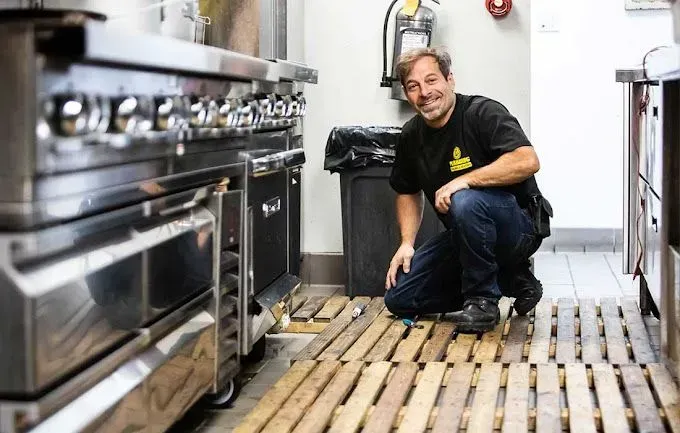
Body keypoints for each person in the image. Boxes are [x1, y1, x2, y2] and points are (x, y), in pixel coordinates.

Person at [384, 47, 553, 333]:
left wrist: (465, 180)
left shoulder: (483, 112)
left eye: (432, 80)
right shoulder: (411, 135)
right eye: (413, 86)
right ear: (406, 93)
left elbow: (527, 160)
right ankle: (511, 279)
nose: (424, 92)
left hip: (520, 228)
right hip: (467, 238)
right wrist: (406, 243)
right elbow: (406, 190)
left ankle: (483, 301)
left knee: (465, 200)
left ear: (450, 80)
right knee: (399, 297)